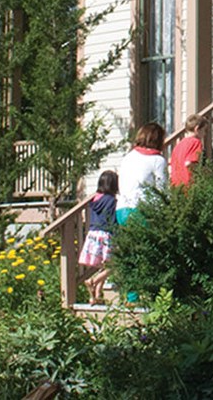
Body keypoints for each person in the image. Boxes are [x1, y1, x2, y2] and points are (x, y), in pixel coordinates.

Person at [116, 122, 168, 225]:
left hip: (122, 210)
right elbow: (162, 190)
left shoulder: (128, 157)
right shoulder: (158, 160)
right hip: (143, 211)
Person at [80, 170, 118, 301]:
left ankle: (96, 295)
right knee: (114, 264)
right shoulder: (112, 200)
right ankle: (93, 280)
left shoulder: (95, 198)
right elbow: (112, 219)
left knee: (104, 265)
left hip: (92, 233)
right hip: (106, 234)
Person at [170, 114, 209, 186]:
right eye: (204, 130)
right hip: (189, 185)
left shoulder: (179, 144)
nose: (205, 134)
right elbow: (189, 163)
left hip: (176, 184)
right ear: (197, 129)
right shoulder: (196, 142)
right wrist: (204, 172)